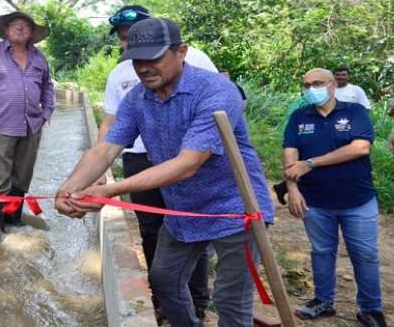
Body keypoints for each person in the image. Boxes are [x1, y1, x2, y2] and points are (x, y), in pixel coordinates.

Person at [55, 18, 275, 327]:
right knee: (164, 281)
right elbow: (106, 148)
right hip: (183, 209)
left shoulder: (216, 92)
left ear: (181, 52)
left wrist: (110, 191)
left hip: (235, 211)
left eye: (154, 58)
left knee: (230, 297)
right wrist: (69, 188)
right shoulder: (137, 99)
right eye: (137, 60)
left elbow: (188, 163)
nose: (144, 67)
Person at [98, 5, 216, 321]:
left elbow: (213, 113)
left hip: (186, 157)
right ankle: (164, 296)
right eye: (125, 40)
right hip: (139, 157)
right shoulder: (121, 73)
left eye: (133, 38)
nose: (131, 50)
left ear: (179, 52)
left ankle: (197, 298)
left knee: (192, 225)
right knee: (152, 228)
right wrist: (96, 177)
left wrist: (109, 190)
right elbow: (110, 125)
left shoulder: (200, 64)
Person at [283, 68, 385, 326]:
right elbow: (290, 156)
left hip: (357, 200)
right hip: (315, 201)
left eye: (316, 83)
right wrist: (292, 189)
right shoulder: (298, 117)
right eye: (306, 85)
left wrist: (312, 163)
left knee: (364, 254)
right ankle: (323, 301)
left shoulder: (355, 112)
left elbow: (360, 148)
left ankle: (371, 309)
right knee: (322, 251)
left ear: (331, 86)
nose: (310, 89)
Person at [0, 11, 55, 241]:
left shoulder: (39, 58)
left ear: (32, 33)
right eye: (15, 25)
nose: (20, 28)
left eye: (26, 26)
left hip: (31, 126)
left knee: (22, 176)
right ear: (6, 30)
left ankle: (13, 221)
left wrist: (46, 112)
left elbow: (47, 87)